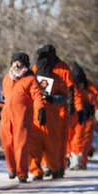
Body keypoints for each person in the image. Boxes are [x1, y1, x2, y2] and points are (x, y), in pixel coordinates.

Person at [33, 45, 82, 177]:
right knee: (42, 138)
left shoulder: (63, 67)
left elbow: (70, 87)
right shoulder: (37, 66)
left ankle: (59, 165)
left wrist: (71, 104)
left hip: (60, 109)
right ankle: (45, 164)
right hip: (42, 109)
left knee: (59, 140)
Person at [0, 53, 45, 183]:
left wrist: (41, 109)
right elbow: (2, 94)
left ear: (25, 65)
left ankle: (21, 172)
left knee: (21, 145)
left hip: (22, 117)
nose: (16, 64)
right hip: (6, 116)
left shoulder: (30, 79)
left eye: (19, 62)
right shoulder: (7, 78)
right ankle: (12, 168)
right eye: (15, 62)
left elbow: (37, 95)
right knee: (7, 144)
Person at [30, 51, 68, 180]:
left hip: (51, 120)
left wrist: (52, 99)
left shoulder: (57, 79)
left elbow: (64, 96)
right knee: (34, 148)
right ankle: (36, 172)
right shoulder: (32, 78)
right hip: (35, 120)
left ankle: (55, 169)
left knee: (52, 147)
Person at [68, 63, 98, 170]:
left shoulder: (90, 92)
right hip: (74, 119)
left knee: (85, 142)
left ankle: (82, 162)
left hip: (88, 120)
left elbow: (96, 106)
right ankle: (72, 160)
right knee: (72, 140)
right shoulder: (72, 91)